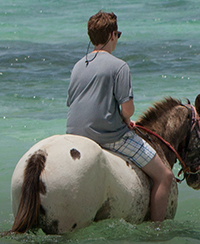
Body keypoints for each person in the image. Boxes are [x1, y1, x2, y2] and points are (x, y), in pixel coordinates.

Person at [66, 11, 172, 222]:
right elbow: (128, 110)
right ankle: (157, 232)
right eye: (118, 34)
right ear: (112, 35)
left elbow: (74, 103)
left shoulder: (77, 66)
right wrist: (125, 119)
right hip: (107, 136)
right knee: (165, 177)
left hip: (73, 134)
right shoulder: (119, 66)